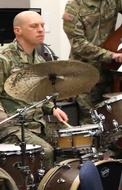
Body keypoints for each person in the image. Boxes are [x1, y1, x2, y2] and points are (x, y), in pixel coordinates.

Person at [0, 11, 70, 169]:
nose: (41, 30)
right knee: (45, 151)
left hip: (38, 124)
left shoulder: (38, 60)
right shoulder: (4, 58)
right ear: (18, 30)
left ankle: (67, 188)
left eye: (42, 26)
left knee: (73, 142)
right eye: (34, 26)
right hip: (12, 127)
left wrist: (52, 109)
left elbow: (38, 96)